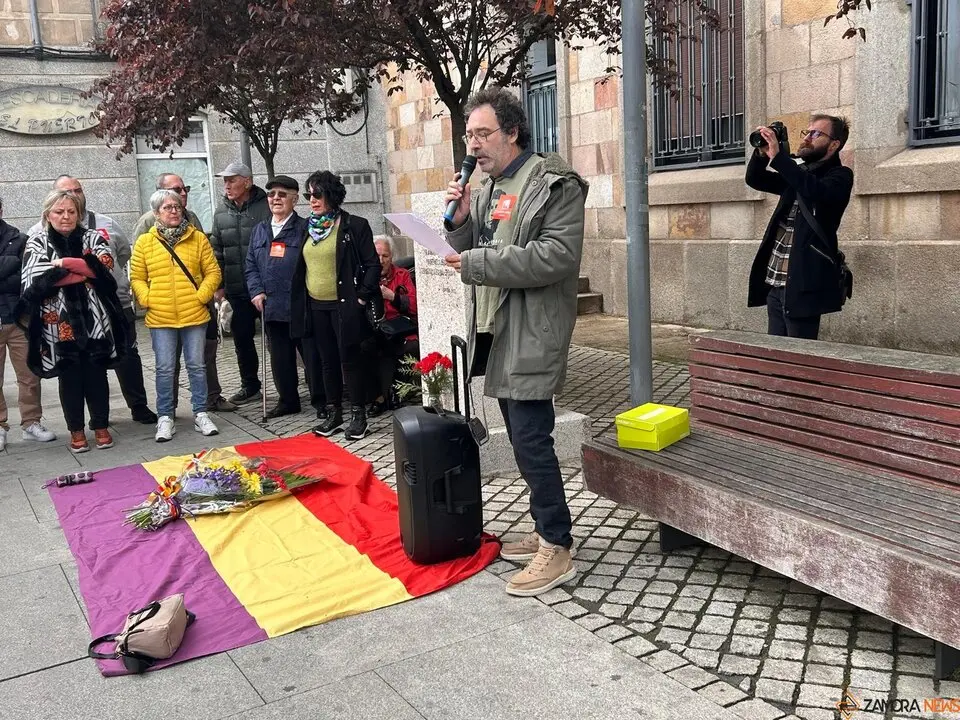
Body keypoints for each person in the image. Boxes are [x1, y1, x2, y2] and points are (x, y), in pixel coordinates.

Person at [443, 87, 587, 597]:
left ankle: (558, 547)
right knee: (522, 437)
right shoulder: (490, 187)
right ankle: (549, 527)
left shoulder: (553, 183)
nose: (473, 145)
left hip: (534, 330)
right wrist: (459, 222)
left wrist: (478, 262)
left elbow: (557, 256)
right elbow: (474, 247)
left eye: (483, 134)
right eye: (469, 135)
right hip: (498, 329)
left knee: (531, 440)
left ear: (512, 132)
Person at [30, 176, 157, 424]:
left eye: (77, 191)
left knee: (126, 358)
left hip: (113, 304)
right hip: (61, 318)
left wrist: (74, 269)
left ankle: (137, 407)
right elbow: (39, 277)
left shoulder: (104, 224)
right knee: (76, 370)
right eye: (66, 193)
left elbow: (119, 256)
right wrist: (88, 273)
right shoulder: (37, 234)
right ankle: (85, 423)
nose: (73, 196)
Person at [19, 190, 127, 453]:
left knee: (96, 373)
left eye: (71, 211)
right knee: (69, 377)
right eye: (59, 212)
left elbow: (105, 272)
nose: (65, 216)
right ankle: (76, 431)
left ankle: (100, 426)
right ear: (48, 214)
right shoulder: (36, 241)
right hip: (57, 324)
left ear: (79, 213)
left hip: (96, 321)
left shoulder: (93, 236)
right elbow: (35, 284)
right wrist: (83, 269)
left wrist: (64, 265)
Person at [132, 173, 236, 414]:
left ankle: (210, 400)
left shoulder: (192, 221)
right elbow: (138, 268)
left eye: (184, 189)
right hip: (163, 309)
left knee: (202, 357)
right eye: (175, 190)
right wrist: (148, 298)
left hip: (196, 306)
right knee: (167, 364)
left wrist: (202, 295)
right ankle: (170, 410)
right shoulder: (147, 224)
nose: (182, 195)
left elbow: (208, 265)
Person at [745, 114, 853, 340]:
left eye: (816, 134)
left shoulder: (840, 176)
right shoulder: (798, 171)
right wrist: (762, 153)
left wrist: (780, 160)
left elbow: (815, 191)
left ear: (834, 144)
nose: (807, 138)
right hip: (776, 280)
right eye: (807, 132)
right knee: (777, 354)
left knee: (801, 357)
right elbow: (756, 179)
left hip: (804, 283)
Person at [290, 170, 380, 440]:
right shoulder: (307, 226)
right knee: (326, 361)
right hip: (316, 305)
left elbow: (373, 265)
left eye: (317, 194)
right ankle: (334, 412)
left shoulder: (354, 225)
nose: (312, 200)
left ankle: (358, 415)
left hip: (344, 305)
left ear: (331, 194)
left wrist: (361, 297)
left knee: (349, 358)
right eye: (308, 194)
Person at [245, 174, 313, 419]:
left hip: (301, 304)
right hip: (271, 305)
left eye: (282, 194)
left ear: (294, 199)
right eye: (272, 194)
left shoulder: (305, 227)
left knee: (311, 355)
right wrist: (256, 291)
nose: (275, 199)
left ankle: (321, 399)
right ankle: (288, 400)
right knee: (281, 359)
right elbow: (251, 264)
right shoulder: (260, 230)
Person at [209, 162, 271, 405]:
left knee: (276, 340)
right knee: (242, 339)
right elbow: (217, 250)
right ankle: (250, 386)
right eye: (224, 181)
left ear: (247, 181)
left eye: (232, 180)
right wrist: (219, 284)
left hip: (266, 288)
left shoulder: (266, 207)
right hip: (236, 287)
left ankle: (288, 388)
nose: (226, 185)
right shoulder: (221, 211)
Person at [0, 196, 56, 451]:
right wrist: (8, 266)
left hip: (18, 318)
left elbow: (26, 278)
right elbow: (12, 272)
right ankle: (0, 427)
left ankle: (31, 423)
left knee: (30, 375)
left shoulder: (18, 238)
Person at [368, 235, 418, 416]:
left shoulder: (402, 275)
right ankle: (379, 397)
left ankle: (397, 393)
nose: (381, 261)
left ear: (392, 257)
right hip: (374, 328)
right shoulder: (365, 276)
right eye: (377, 256)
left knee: (409, 346)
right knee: (368, 347)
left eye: (385, 256)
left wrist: (392, 297)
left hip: (399, 328)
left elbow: (414, 305)